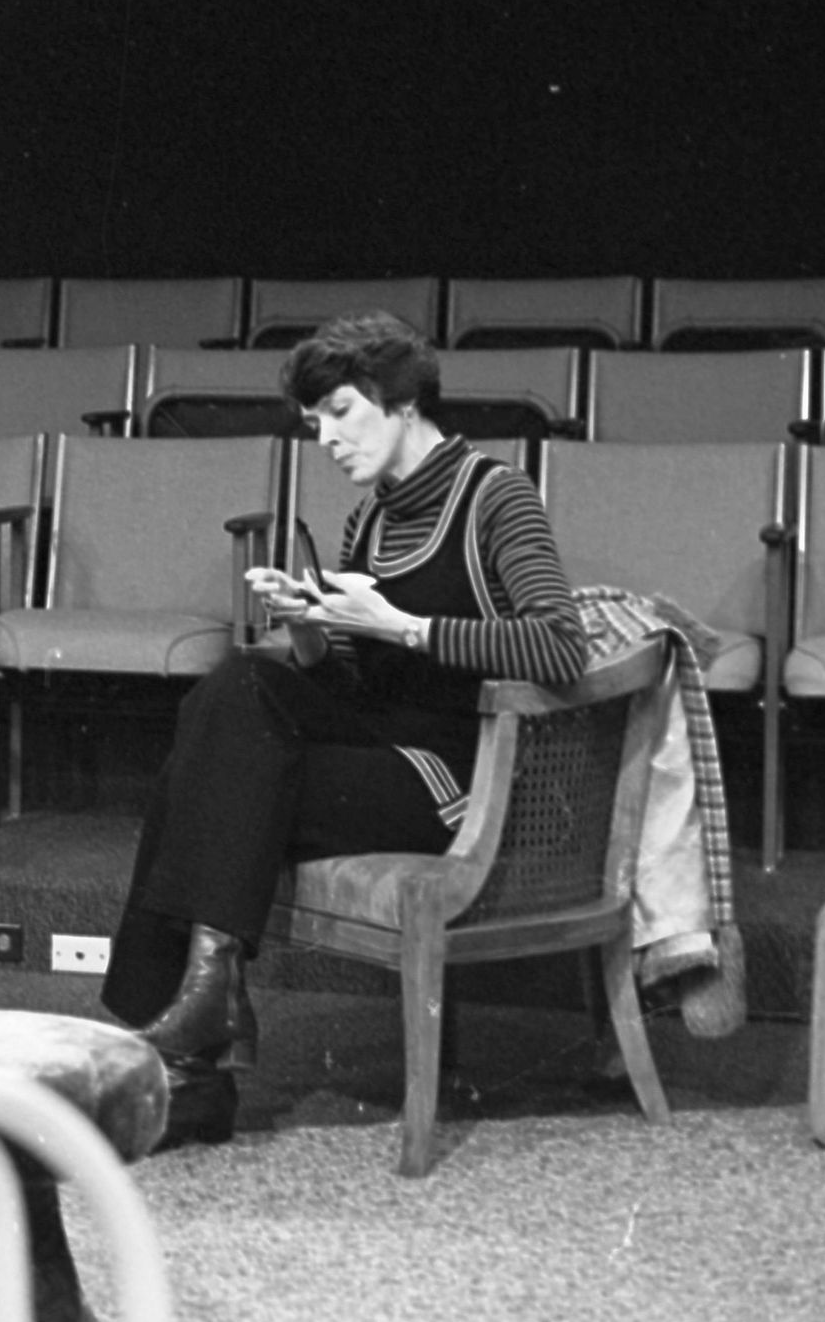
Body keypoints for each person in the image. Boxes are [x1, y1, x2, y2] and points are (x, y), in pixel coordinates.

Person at [102, 312, 587, 1148]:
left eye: (340, 412)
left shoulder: (496, 497)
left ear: (401, 401)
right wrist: (312, 628)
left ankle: (184, 1050)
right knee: (237, 685)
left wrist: (404, 626)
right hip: (380, 753)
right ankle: (202, 1018)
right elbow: (351, 684)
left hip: (459, 778)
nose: (324, 438)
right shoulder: (371, 519)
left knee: (212, 780)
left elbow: (560, 647)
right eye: (314, 421)